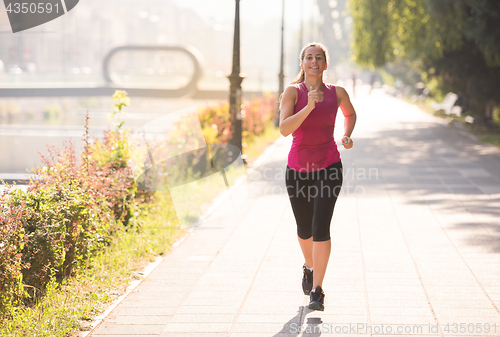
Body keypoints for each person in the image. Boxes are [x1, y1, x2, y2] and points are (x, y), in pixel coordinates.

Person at [279, 42, 357, 311]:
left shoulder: (338, 93)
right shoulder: (292, 92)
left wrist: (347, 135)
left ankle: (317, 290)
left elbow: (350, 113)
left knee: (321, 227)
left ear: (325, 64)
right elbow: (284, 129)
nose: (314, 61)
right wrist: (310, 106)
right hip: (298, 170)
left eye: (319, 57)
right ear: (302, 64)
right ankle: (309, 266)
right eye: (309, 57)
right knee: (304, 229)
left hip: (329, 167)